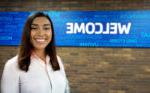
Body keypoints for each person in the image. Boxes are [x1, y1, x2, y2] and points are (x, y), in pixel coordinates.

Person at [1, 12, 70, 93]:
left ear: (52, 32)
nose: (40, 33)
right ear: (27, 32)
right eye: (34, 28)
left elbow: (66, 90)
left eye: (46, 28)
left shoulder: (57, 60)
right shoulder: (12, 65)